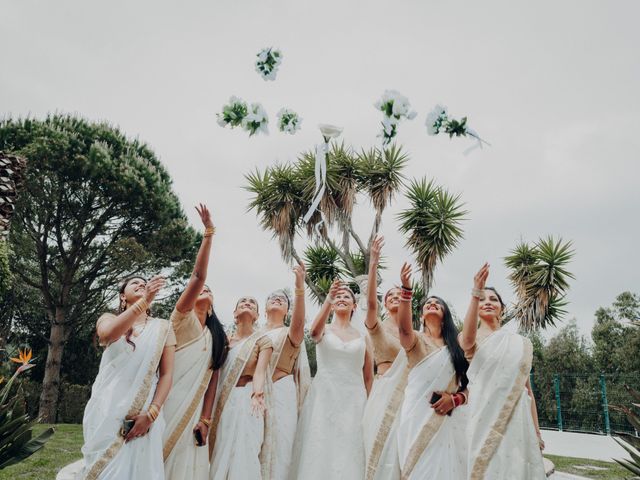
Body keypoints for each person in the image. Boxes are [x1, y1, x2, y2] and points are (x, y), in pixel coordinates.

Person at [77, 275, 175, 479]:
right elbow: (108, 334)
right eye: (134, 283)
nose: (141, 284)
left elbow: (166, 374)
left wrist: (151, 414)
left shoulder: (163, 327)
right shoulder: (108, 319)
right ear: (123, 296)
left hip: (144, 411)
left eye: (144, 283)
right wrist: (143, 302)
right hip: (106, 408)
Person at [459, 263, 546, 479]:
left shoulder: (519, 343)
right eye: (482, 300)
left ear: (502, 308)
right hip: (482, 417)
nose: (487, 303)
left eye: (493, 299)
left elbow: (527, 391)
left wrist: (536, 431)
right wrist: (475, 291)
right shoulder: (470, 338)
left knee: (516, 468)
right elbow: (467, 340)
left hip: (518, 417)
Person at [163, 204, 229, 479]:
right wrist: (209, 233)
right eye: (200, 289)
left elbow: (212, 382)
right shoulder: (181, 318)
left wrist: (205, 419)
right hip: (166, 401)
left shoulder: (217, 339)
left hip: (193, 410)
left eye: (209, 291)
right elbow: (198, 276)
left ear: (212, 306)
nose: (204, 289)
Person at [289, 280, 374, 480]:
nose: (342, 299)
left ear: (354, 306)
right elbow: (313, 333)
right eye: (338, 297)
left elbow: (368, 376)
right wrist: (329, 297)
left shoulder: (364, 338)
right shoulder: (324, 329)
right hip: (324, 395)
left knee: (349, 447)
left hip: (354, 398)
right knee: (321, 445)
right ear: (333, 304)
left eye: (347, 297)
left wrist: (371, 405)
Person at [396, 263, 469, 480]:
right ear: (420, 316)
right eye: (428, 303)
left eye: (438, 303)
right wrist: (406, 290)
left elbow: (471, 386)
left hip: (447, 422)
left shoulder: (457, 346)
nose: (432, 304)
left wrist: (455, 399)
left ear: (445, 314)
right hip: (415, 416)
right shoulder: (416, 341)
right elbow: (403, 328)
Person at [209, 296, 273, 479]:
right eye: (242, 302)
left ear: (257, 315)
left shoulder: (263, 340)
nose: (247, 303)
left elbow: (260, 372)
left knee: (246, 450)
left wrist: (257, 394)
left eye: (252, 302)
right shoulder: (223, 342)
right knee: (221, 450)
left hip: (248, 401)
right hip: (223, 402)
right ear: (235, 313)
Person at [362, 236, 408, 480]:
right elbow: (370, 304)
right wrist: (373, 264)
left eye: (399, 293)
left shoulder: (416, 335)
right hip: (384, 392)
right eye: (389, 295)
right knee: (378, 451)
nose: (394, 296)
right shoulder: (377, 327)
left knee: (404, 452)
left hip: (409, 396)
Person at [262, 262, 311, 480]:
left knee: (281, 448)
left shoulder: (290, 334)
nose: (277, 298)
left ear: (288, 310)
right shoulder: (254, 335)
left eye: (282, 299)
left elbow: (299, 325)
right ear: (264, 308)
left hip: (282, 394)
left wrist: (299, 288)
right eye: (272, 297)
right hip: (253, 396)